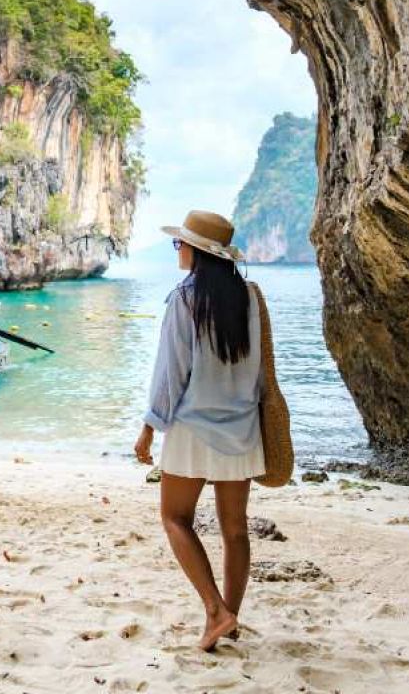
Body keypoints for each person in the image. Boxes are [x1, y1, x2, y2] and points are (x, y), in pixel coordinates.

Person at [133, 210, 265, 652]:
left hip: (192, 429)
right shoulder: (249, 297)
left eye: (181, 243)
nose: (178, 249)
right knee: (236, 530)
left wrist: (150, 428)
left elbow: (171, 373)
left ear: (199, 253)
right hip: (242, 430)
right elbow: (261, 371)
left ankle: (215, 611)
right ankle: (231, 616)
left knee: (174, 518)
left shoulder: (184, 299)